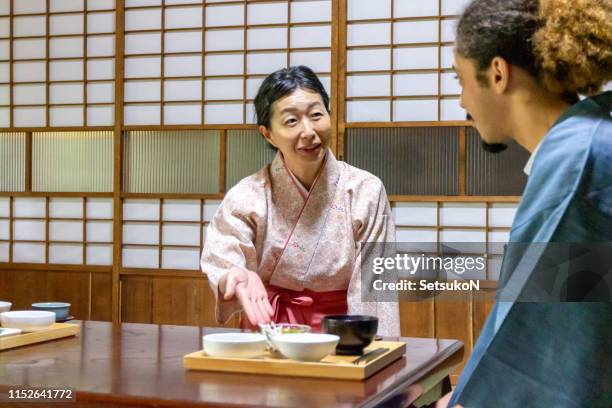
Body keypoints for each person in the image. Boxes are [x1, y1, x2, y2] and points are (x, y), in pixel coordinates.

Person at [437, 0, 612, 406]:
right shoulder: (589, 133)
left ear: (498, 74)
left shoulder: (578, 160)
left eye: (461, 81)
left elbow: (547, 340)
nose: (463, 101)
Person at [201, 66, 400, 336]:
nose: (308, 131)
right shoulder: (248, 194)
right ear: (267, 133)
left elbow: (374, 284)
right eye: (291, 121)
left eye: (316, 115)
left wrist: (372, 348)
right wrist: (234, 275)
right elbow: (224, 253)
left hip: (341, 334)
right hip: (269, 329)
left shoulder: (365, 190)